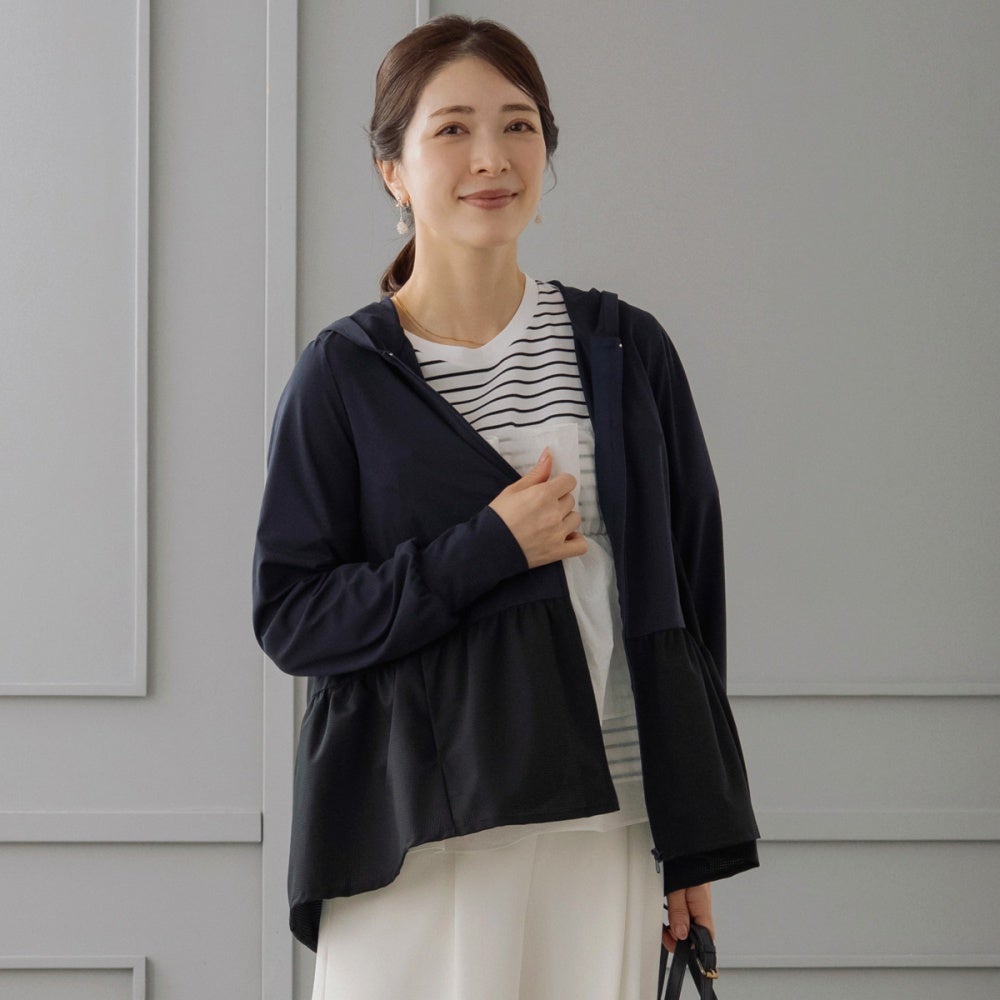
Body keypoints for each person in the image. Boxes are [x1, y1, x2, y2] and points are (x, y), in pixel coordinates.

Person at [253, 15, 758, 1000]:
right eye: (452, 129)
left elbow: (692, 607)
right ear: (393, 171)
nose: (491, 157)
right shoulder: (344, 374)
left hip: (607, 827)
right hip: (417, 834)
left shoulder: (626, 350)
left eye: (518, 125)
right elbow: (293, 617)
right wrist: (486, 548)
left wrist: (691, 839)